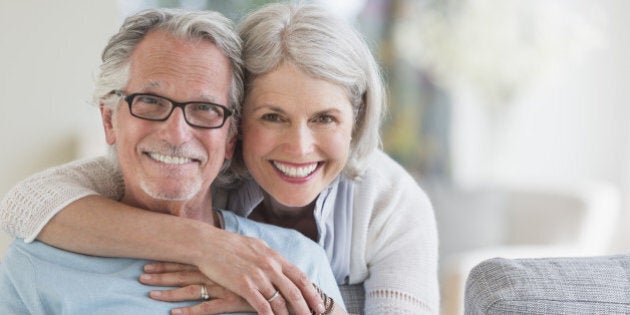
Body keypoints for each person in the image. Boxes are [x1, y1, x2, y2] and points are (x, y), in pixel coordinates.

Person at [0, 3, 439, 314]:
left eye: (205, 109)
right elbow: (25, 203)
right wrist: (211, 247)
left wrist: (305, 302)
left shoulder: (371, 217)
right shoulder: (37, 265)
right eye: (151, 101)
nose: (176, 134)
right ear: (110, 121)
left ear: (229, 134)